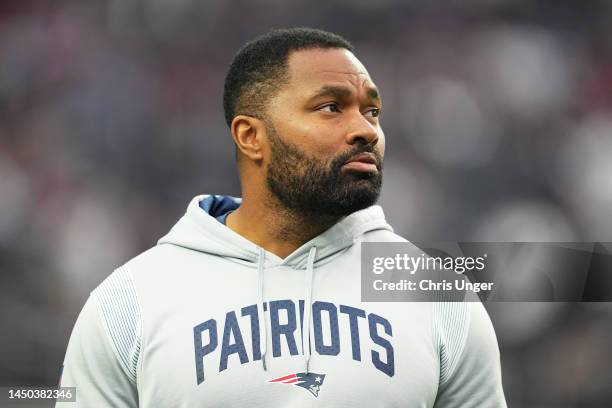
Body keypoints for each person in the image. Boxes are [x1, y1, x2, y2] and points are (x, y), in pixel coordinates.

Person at [57, 27, 506, 407]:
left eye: (372, 111)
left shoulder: (439, 297)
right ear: (251, 136)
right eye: (331, 107)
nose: (366, 130)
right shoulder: (127, 303)